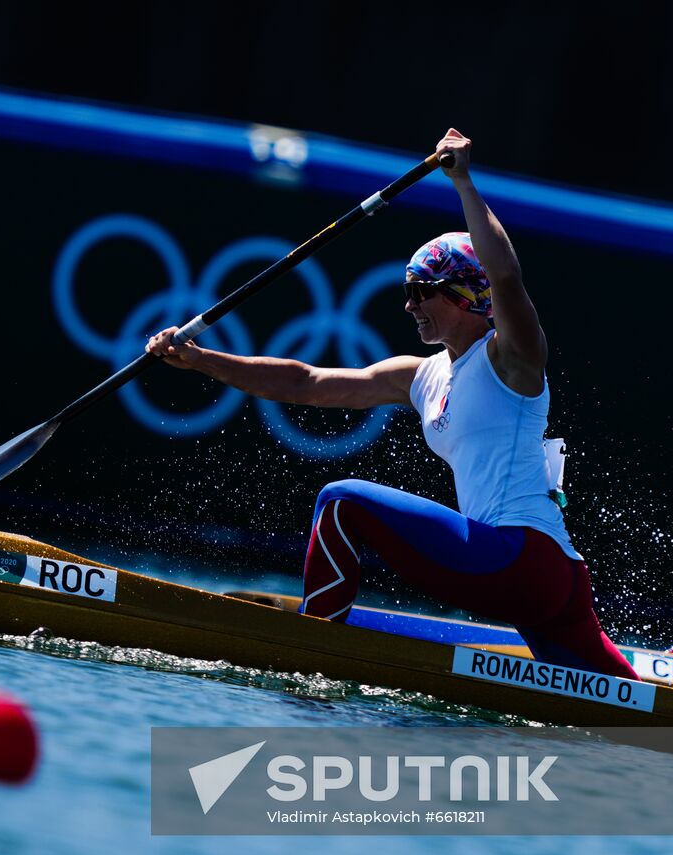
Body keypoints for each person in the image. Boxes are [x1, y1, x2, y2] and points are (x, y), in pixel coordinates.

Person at [145, 128, 638, 679]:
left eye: (422, 290)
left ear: (465, 295)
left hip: (518, 560)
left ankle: (310, 660)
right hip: (554, 579)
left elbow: (504, 275)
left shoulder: (512, 358)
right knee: (638, 707)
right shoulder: (420, 376)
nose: (409, 305)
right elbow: (307, 382)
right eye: (408, 291)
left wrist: (463, 182)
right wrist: (203, 360)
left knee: (341, 501)